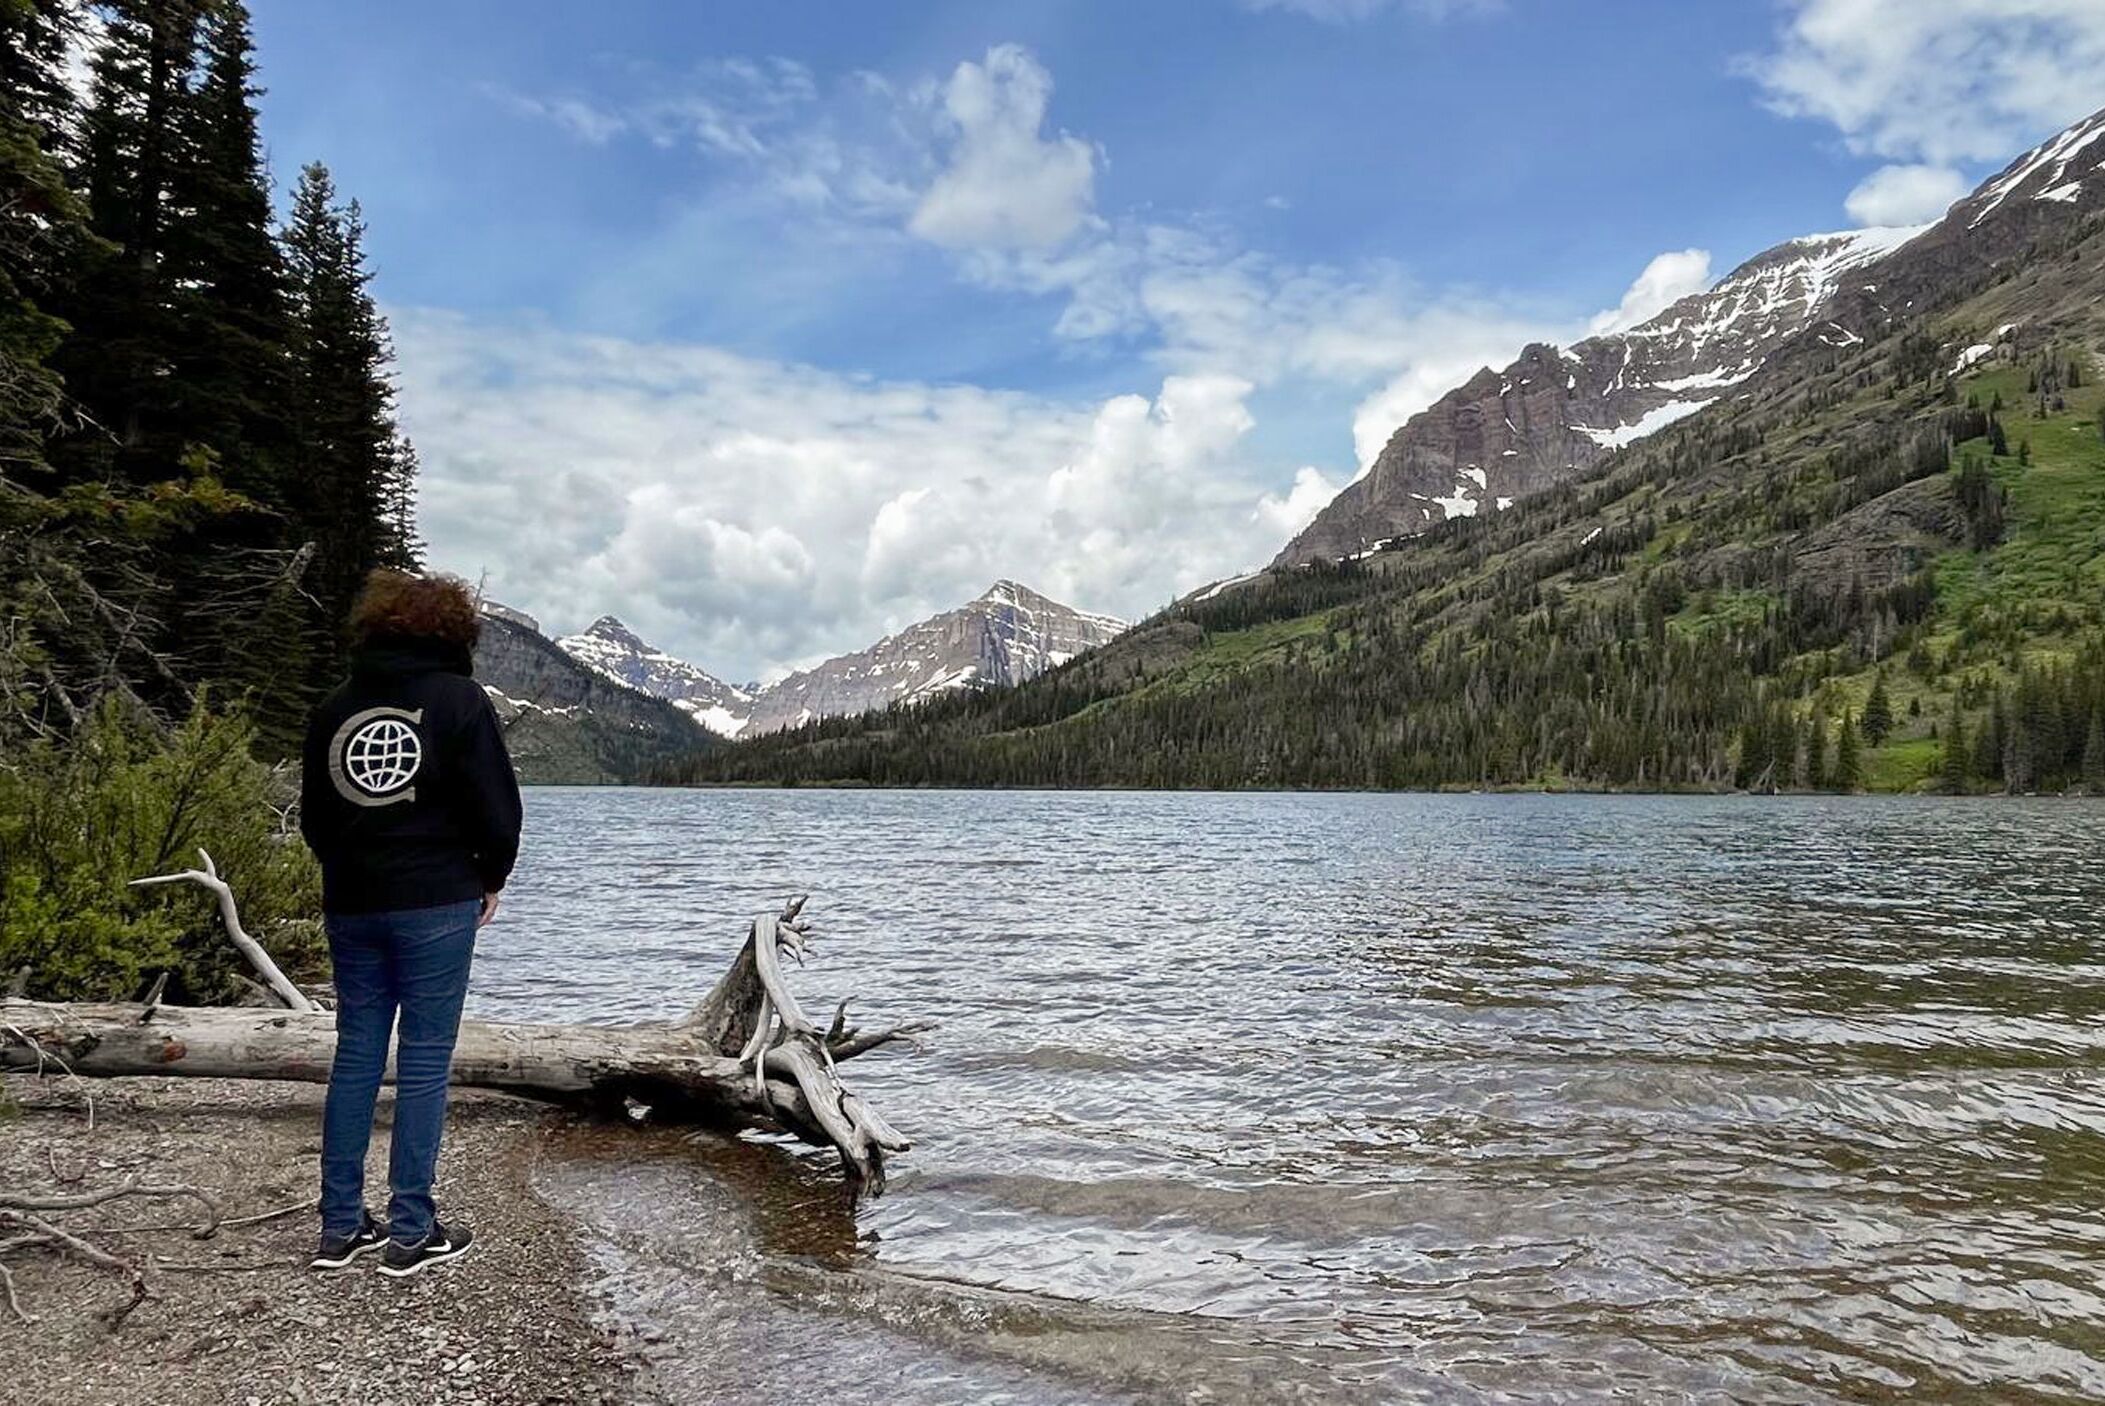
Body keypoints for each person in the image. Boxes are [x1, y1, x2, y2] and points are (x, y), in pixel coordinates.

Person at [298, 570, 522, 1277]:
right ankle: (411, 1230)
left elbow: (314, 820)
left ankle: (339, 1228)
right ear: (453, 632)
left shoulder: (336, 707)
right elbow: (498, 810)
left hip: (352, 901)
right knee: (424, 1058)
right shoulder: (459, 701)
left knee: (357, 1055)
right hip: (436, 899)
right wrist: (489, 877)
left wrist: (353, 871)